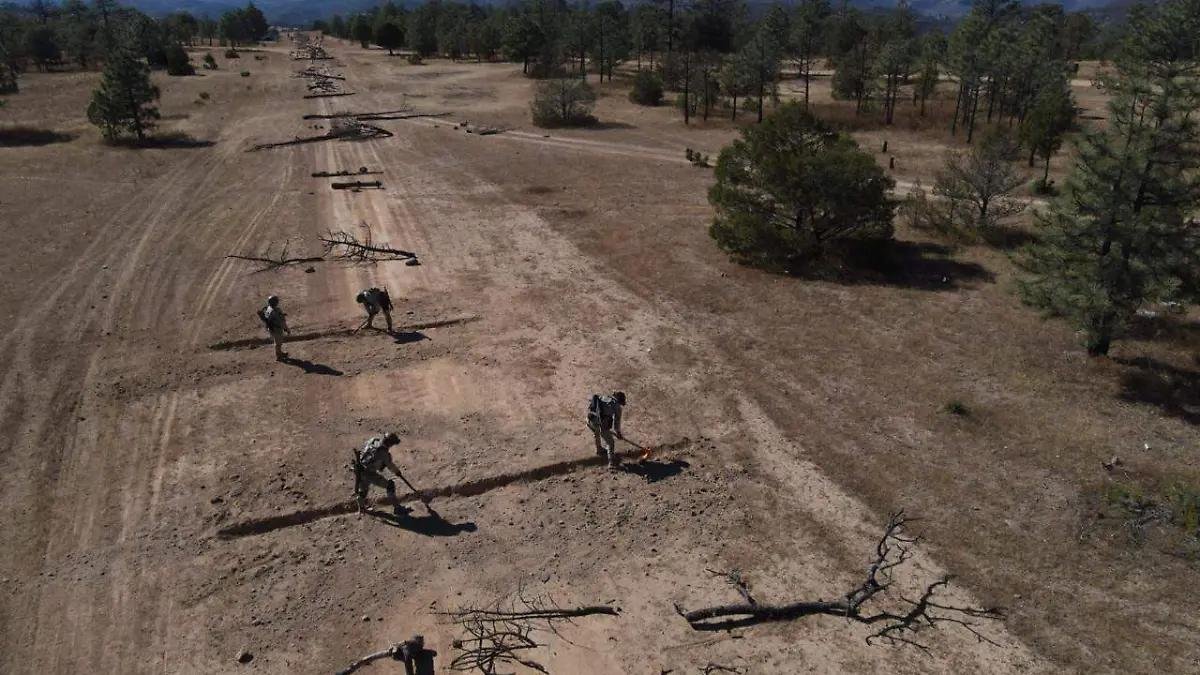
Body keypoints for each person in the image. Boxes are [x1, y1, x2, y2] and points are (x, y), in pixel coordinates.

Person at [351, 432, 404, 513]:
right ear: (390, 443)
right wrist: (397, 472)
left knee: (363, 491)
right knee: (390, 486)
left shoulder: (373, 440)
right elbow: (390, 466)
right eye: (392, 444)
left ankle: (362, 508)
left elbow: (364, 450)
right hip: (369, 473)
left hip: (359, 468)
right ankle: (397, 508)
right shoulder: (383, 452)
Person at [587, 391, 626, 469]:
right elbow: (616, 422)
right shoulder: (617, 407)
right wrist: (618, 433)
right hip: (600, 424)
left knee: (596, 433)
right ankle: (611, 463)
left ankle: (599, 450)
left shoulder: (604, 397)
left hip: (589, 420)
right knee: (610, 443)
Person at [256, 295, 291, 361]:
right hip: (277, 330)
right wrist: (287, 329)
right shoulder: (277, 310)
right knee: (278, 343)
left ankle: (279, 353)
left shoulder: (269, 309)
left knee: (277, 342)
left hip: (271, 329)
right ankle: (279, 356)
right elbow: (282, 322)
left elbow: (265, 319)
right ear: (276, 302)